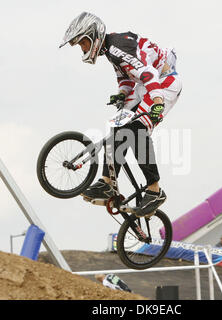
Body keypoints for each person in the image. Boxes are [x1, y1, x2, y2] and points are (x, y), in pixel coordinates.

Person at [59, 12, 182, 217]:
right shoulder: (111, 49)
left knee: (137, 130)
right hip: (146, 86)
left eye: (83, 44)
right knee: (118, 126)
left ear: (94, 35)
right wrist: (121, 95)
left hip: (163, 84)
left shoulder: (117, 47)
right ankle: (108, 183)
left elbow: (148, 74)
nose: (83, 49)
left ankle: (155, 190)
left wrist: (158, 103)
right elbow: (126, 78)